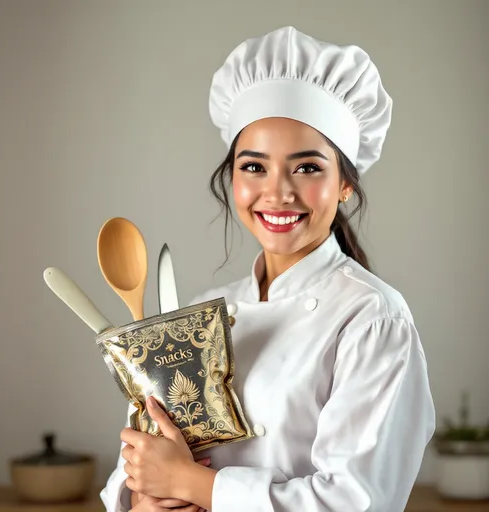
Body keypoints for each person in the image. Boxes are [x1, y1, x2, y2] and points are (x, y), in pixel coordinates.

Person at [100, 26, 436, 512]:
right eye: (254, 167)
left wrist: (196, 486)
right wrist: (143, 500)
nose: (278, 192)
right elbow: (141, 458)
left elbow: (359, 501)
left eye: (307, 167)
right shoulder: (199, 313)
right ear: (231, 178)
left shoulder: (373, 318)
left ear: (345, 184)